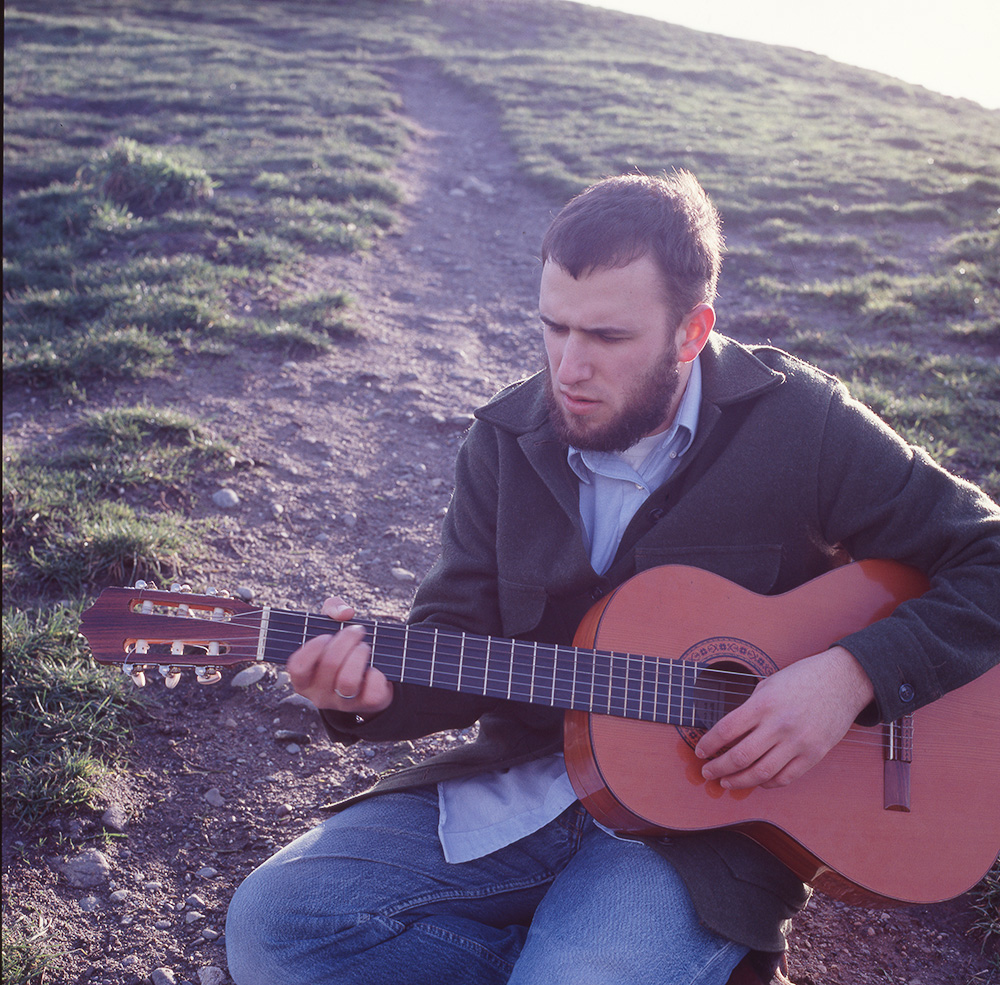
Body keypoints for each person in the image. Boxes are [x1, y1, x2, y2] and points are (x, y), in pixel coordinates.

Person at [225, 171, 1000, 985]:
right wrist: (370, 695)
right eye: (553, 328)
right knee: (276, 922)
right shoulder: (504, 439)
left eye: (606, 336)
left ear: (691, 331)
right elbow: (457, 638)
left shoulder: (801, 423)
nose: (569, 366)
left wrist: (848, 678)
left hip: (711, 832)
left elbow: (987, 553)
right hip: (525, 780)